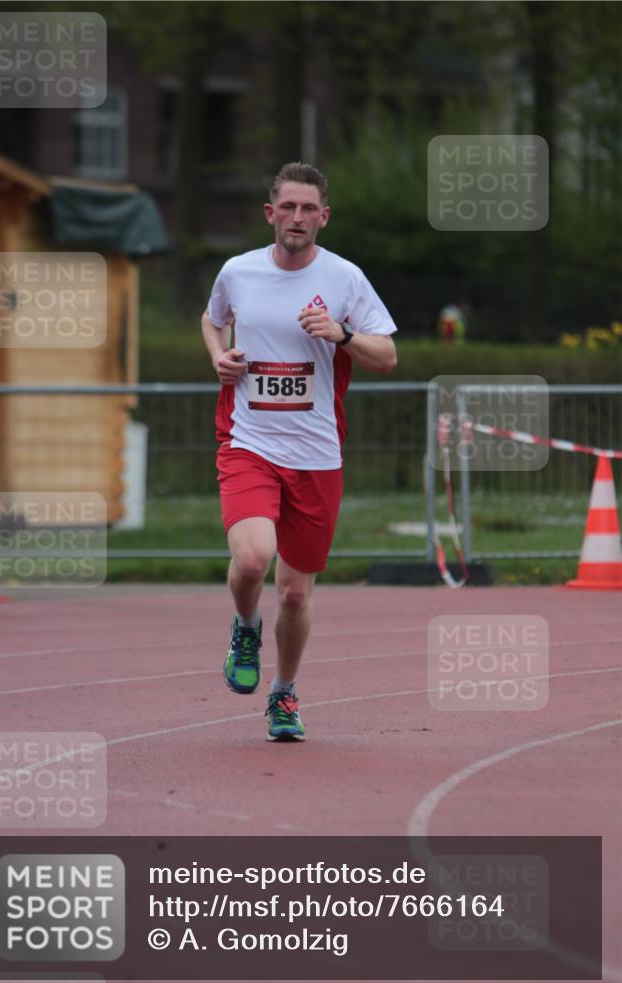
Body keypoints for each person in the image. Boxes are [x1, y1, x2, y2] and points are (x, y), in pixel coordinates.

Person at [201, 162, 397, 742]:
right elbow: (213, 322)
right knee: (256, 559)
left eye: (308, 209)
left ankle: (283, 695)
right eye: (287, 207)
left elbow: (386, 356)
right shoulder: (238, 272)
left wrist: (340, 333)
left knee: (294, 591)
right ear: (271, 213)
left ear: (323, 218)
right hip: (249, 442)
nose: (297, 217)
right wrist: (218, 355)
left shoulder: (345, 280)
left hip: (317, 454)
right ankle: (244, 626)